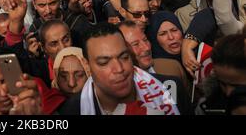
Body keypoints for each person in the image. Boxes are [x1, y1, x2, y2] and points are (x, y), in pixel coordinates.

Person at [58, 22, 190, 115]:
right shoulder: (72, 110)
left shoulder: (170, 88)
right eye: (104, 62)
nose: (119, 69)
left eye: (124, 57)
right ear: (87, 65)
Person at [118, 21, 189, 92]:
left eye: (145, 40)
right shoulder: (119, 88)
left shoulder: (173, 67)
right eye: (136, 44)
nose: (146, 47)